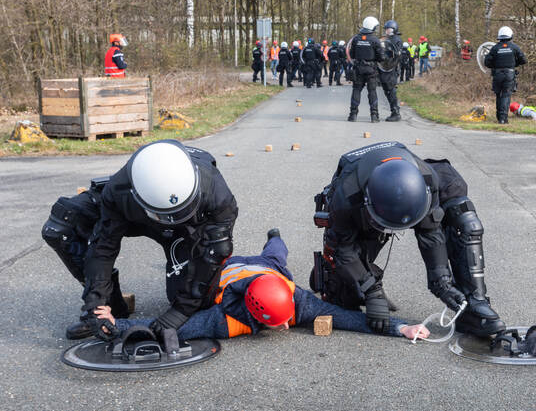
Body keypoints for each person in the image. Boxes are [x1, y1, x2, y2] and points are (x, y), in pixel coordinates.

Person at [41, 139, 237, 341]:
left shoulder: (218, 195)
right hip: (137, 213)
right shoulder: (119, 190)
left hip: (185, 230)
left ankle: (188, 289)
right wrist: (95, 301)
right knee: (61, 224)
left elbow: (215, 251)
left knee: (198, 301)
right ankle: (111, 306)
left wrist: (180, 312)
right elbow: (103, 247)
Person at [311, 141, 506, 338]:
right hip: (360, 203)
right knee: (343, 298)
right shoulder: (347, 196)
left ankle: (474, 305)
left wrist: (443, 284)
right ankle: (348, 282)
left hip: (405, 190)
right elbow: (343, 250)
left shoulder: (428, 179)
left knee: (466, 222)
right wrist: (371, 291)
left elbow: (430, 234)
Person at [92, 232, 427, 341]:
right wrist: (115, 325)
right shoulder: (228, 317)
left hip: (268, 268)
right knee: (186, 281)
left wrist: (402, 328)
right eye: (276, 322)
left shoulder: (297, 302)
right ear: (253, 313)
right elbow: (176, 328)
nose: (285, 326)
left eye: (284, 319)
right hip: (228, 268)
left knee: (277, 250)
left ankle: (274, 234)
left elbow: (346, 318)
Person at [483, 26, 527, 124]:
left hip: (497, 74)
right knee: (506, 95)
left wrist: (495, 65)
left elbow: (487, 62)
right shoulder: (514, 47)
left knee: (499, 95)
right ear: (510, 35)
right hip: (509, 74)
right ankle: (503, 119)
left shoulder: (495, 48)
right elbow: (523, 60)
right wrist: (515, 64)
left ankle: (499, 117)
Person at [346, 17, 383, 122]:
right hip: (371, 70)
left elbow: (351, 54)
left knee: (356, 90)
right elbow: (381, 57)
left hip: (358, 69)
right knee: (372, 91)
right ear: (372, 26)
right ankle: (374, 116)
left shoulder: (356, 39)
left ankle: (353, 115)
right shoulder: (375, 40)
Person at [379, 20, 402, 122]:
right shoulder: (388, 39)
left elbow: (396, 54)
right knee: (386, 90)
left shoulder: (396, 39)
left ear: (394, 29)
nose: (387, 31)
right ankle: (394, 110)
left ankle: (396, 112)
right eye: (386, 29)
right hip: (385, 67)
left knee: (390, 90)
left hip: (392, 68)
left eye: (389, 29)